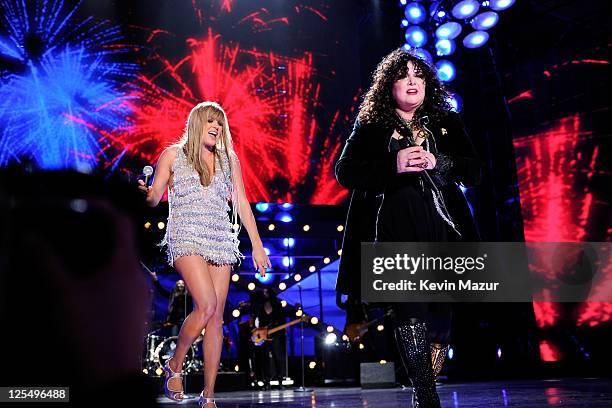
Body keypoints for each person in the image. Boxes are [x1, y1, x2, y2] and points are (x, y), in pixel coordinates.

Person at [335, 49, 481, 407]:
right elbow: (345, 171)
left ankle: (425, 387)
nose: (413, 80)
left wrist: (441, 162)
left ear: (428, 84)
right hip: (394, 231)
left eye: (419, 74)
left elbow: (475, 171)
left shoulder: (448, 122)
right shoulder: (371, 127)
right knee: (409, 309)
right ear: (390, 86)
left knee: (441, 317)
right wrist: (393, 163)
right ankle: (427, 395)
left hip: (445, 232)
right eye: (404, 75)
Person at [138, 101, 271, 407]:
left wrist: (257, 244)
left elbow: (242, 203)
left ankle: (208, 396)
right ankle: (175, 363)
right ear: (197, 123)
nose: (217, 127)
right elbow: (155, 197)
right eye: (211, 121)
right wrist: (145, 194)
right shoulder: (173, 155)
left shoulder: (229, 160)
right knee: (207, 304)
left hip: (221, 238)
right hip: (186, 236)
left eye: (221, 123)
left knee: (216, 317)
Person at [251, 288, 287, 388]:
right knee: (265, 359)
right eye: (263, 292)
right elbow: (257, 320)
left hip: (275, 335)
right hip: (263, 336)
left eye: (266, 292)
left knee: (277, 357)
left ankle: (280, 381)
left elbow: (282, 320)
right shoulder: (260, 307)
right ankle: (267, 381)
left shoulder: (277, 305)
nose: (264, 293)